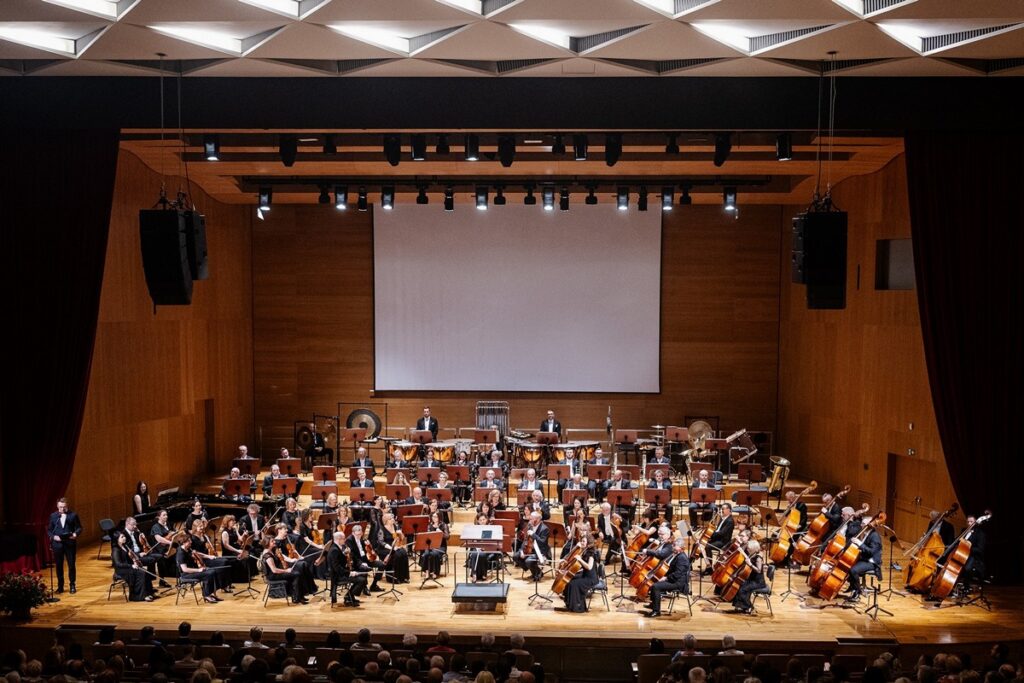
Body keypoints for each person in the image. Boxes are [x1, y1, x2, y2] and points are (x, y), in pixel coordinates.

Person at [644, 536, 690, 618]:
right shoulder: (676, 554)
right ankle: (653, 604)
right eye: (673, 545)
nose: (672, 547)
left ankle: (656, 611)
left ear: (680, 548)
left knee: (656, 586)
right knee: (653, 583)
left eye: (674, 545)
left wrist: (666, 578)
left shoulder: (682, 558)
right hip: (674, 579)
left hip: (678, 583)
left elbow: (677, 574)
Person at [261, 537, 314, 604]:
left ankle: (298, 596)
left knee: (297, 572)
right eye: (272, 541)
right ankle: (297, 597)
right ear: (267, 543)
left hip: (275, 574)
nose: (274, 542)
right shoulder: (268, 556)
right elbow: (274, 570)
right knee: (296, 574)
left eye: (274, 540)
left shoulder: (270, 551)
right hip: (273, 576)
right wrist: (286, 571)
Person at [48, 497, 82, 594]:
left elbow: (79, 528)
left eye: (64, 507)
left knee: (71, 565)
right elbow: (49, 530)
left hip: (69, 543)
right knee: (59, 566)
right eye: (60, 507)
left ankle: (72, 585)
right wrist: (54, 537)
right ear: (57, 506)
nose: (62, 509)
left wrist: (75, 534)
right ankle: (60, 586)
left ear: (67, 506)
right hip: (57, 544)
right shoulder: (53, 516)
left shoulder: (73, 515)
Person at [177, 535, 222, 603]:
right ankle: (206, 595)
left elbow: (197, 553)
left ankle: (210, 593)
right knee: (209, 573)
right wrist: (198, 570)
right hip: (186, 574)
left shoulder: (188, 548)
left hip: (193, 571)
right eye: (189, 541)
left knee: (213, 571)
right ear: (183, 542)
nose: (191, 542)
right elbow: (185, 569)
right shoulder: (181, 553)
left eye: (190, 540)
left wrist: (209, 556)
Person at [112, 531, 155, 602]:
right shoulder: (116, 550)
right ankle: (138, 596)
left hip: (128, 567)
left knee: (145, 572)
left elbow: (132, 555)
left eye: (124, 536)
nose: (124, 538)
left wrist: (138, 556)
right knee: (141, 573)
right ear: (117, 539)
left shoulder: (125, 546)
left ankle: (148, 592)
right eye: (122, 537)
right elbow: (118, 564)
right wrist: (131, 565)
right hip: (121, 570)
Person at [561, 533, 599, 613]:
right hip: (585, 576)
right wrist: (566, 567)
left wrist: (580, 559)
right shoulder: (583, 551)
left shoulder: (591, 553)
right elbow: (578, 566)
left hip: (591, 579)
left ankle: (578, 607)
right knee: (569, 581)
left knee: (574, 584)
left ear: (588, 542)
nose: (582, 542)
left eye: (584, 541)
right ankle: (569, 604)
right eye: (581, 541)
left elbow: (589, 567)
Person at [327, 530, 366, 607]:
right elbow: (337, 568)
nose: (345, 540)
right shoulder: (334, 550)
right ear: (339, 539)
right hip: (338, 576)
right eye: (343, 539)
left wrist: (345, 554)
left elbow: (339, 560)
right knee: (362, 580)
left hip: (341, 573)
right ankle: (348, 597)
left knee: (363, 576)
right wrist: (349, 573)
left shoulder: (337, 547)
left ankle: (350, 596)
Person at [346, 523, 385, 593]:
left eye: (360, 534)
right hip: (356, 561)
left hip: (365, 559)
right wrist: (361, 563)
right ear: (353, 533)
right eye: (357, 535)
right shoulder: (349, 540)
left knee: (381, 565)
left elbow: (368, 551)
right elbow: (352, 555)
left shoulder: (362, 539)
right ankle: (364, 587)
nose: (359, 536)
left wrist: (369, 545)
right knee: (364, 568)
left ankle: (374, 585)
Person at [731, 540, 766, 614]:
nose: (747, 549)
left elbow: (759, 570)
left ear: (754, 549)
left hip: (758, 582)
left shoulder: (758, 558)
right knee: (739, 586)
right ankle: (741, 606)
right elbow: (747, 558)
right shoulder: (753, 554)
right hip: (752, 579)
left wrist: (750, 564)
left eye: (749, 548)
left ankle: (749, 607)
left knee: (743, 590)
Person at [467, 512, 500, 581]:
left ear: (486, 520)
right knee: (474, 554)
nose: (482, 521)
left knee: (482, 554)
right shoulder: (475, 529)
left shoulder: (489, 528)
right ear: (478, 521)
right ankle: (474, 574)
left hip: (487, 548)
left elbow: (491, 541)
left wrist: (484, 547)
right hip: (476, 548)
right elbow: (471, 541)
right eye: (480, 520)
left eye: (483, 519)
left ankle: (483, 574)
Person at [519, 511, 550, 581]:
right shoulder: (530, 526)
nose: (529, 521)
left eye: (531, 519)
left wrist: (533, 534)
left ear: (537, 519)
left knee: (528, 561)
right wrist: (521, 551)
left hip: (539, 551)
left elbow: (542, 542)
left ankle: (537, 572)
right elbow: (525, 540)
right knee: (516, 557)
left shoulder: (545, 529)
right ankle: (534, 571)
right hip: (529, 549)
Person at [420, 511, 449, 579]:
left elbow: (447, 537)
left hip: (441, 546)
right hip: (430, 546)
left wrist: (441, 533)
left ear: (439, 517)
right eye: (433, 516)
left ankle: (435, 572)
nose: (434, 518)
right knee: (426, 553)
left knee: (434, 553)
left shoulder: (444, 525)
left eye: (436, 517)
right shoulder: (429, 526)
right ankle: (427, 571)